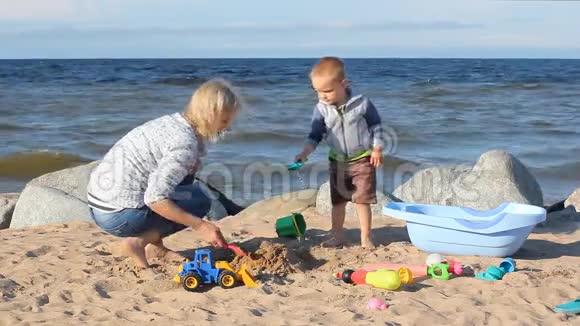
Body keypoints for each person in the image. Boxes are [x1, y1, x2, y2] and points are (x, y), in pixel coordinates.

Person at [87, 79, 240, 268]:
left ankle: (157, 248)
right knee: (199, 201)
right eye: (224, 121)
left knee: (187, 185)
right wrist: (201, 225)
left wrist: (188, 171)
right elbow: (155, 199)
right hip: (117, 214)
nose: (227, 127)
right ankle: (137, 244)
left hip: (98, 203)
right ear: (210, 114)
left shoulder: (173, 122)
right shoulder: (184, 144)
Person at [295, 57, 384, 249]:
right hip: (337, 161)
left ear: (344, 84)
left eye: (327, 91)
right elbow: (315, 134)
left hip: (362, 159)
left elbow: (376, 125)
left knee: (362, 201)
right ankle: (337, 235)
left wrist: (377, 148)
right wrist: (305, 152)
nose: (322, 96)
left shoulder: (362, 104)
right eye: (317, 91)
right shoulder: (321, 110)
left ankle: (366, 237)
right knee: (338, 202)